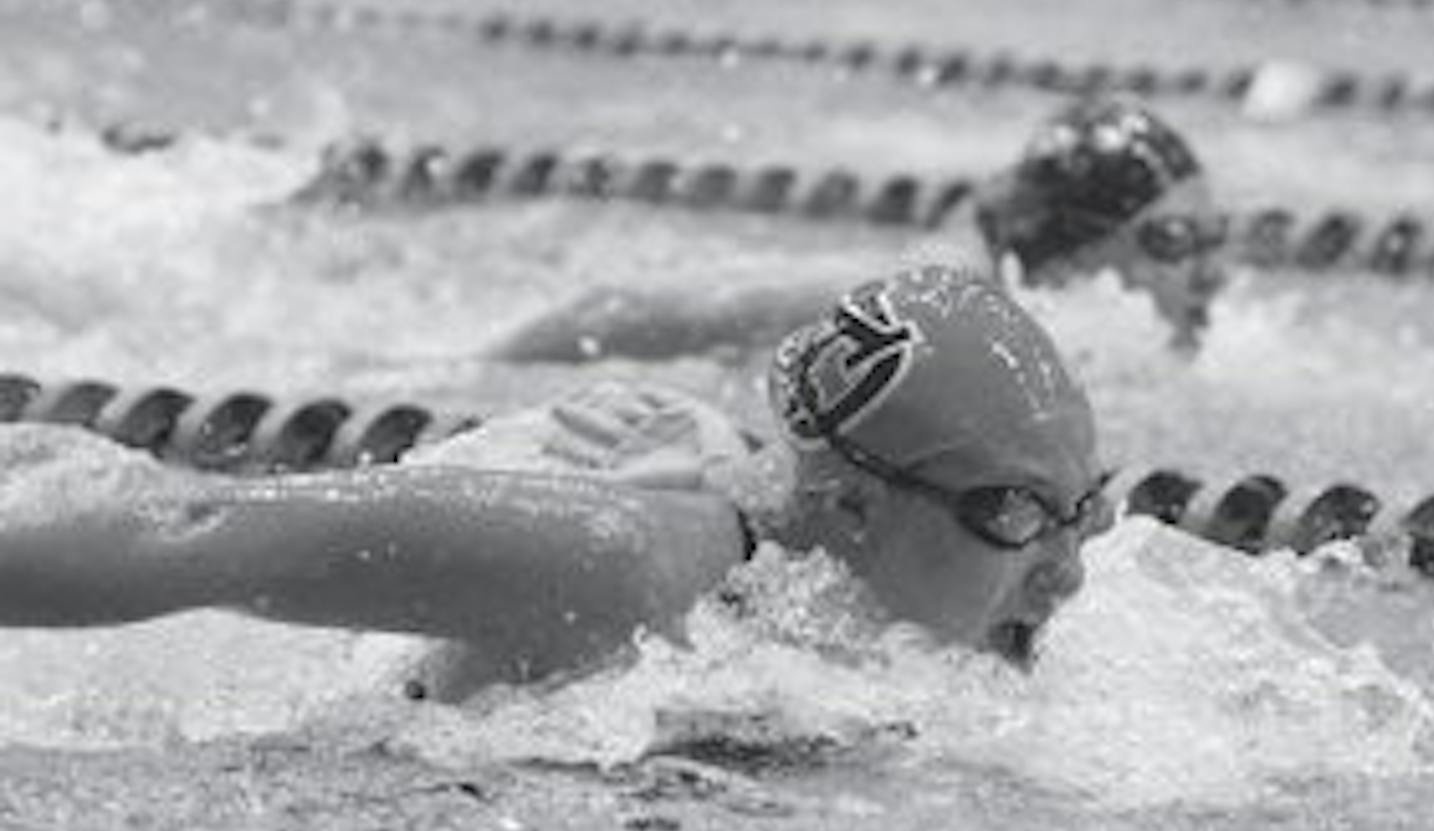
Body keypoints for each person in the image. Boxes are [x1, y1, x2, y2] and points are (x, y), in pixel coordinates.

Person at [0, 266, 1108, 700]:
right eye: (1014, 515)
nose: (1066, 576)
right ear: (852, 505)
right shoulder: (616, 566)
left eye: (1085, 512)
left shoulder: (856, 577)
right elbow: (193, 525)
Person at [495, 96, 1225, 366]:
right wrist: (470, 367)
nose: (1211, 274)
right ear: (1074, 241)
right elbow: (624, 310)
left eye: (1213, 238)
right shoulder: (934, 298)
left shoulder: (1006, 296)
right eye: (1171, 241)